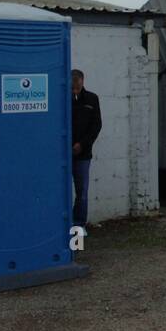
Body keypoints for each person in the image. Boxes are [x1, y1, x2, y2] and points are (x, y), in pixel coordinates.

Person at [70, 69, 103, 227]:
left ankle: (78, 225)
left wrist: (82, 144)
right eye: (72, 88)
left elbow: (96, 125)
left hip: (83, 154)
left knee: (82, 192)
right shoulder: (62, 99)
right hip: (64, 153)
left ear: (82, 82)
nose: (75, 91)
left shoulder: (91, 99)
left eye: (77, 87)